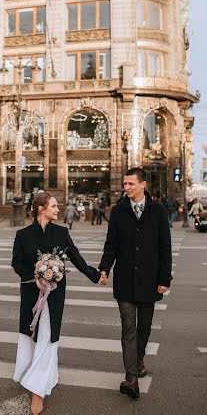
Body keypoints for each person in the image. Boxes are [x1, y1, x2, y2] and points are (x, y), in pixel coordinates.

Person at [12, 192, 104, 414]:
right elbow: (16, 263)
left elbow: (76, 257)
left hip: (55, 297)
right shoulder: (23, 235)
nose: (57, 209)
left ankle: (37, 391)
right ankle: (45, 375)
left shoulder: (62, 233)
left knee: (48, 335)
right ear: (41, 209)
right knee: (32, 335)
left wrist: (95, 275)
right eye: (53, 206)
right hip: (32, 294)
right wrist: (37, 276)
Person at [98, 168, 172, 399]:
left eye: (131, 184)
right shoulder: (119, 211)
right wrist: (104, 269)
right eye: (125, 184)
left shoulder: (158, 211)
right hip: (125, 279)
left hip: (150, 280)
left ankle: (138, 358)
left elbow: (165, 247)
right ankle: (131, 377)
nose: (127, 188)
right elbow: (111, 244)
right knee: (128, 326)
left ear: (143, 185)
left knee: (144, 327)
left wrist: (164, 278)